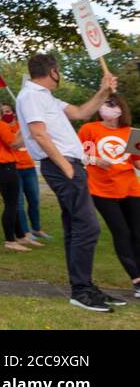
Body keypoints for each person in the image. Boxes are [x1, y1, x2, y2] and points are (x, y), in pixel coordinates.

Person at [14, 52, 121, 312]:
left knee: (76, 227)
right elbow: (38, 134)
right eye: (58, 70)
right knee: (88, 227)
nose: (59, 74)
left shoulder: (45, 96)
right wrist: (65, 166)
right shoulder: (30, 96)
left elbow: (82, 112)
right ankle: (81, 291)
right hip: (63, 166)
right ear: (52, 72)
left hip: (71, 165)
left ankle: (83, 286)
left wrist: (104, 91)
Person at [78, 94, 140, 297]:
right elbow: (79, 155)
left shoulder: (133, 133)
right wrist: (95, 160)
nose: (106, 108)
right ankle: (136, 279)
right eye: (104, 104)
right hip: (101, 190)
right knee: (121, 232)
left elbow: (137, 161)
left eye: (111, 104)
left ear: (121, 108)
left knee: (137, 233)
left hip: (131, 188)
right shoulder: (89, 129)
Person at [0, 100, 44, 251]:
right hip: (6, 169)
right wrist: (28, 131)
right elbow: (15, 144)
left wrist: (20, 130)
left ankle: (21, 236)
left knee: (13, 203)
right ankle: (10, 240)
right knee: (12, 205)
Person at [13, 101, 50, 244]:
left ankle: (37, 228)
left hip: (29, 168)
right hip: (15, 169)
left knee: (34, 200)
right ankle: (25, 232)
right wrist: (21, 130)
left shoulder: (31, 126)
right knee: (19, 203)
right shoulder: (6, 128)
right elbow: (13, 143)